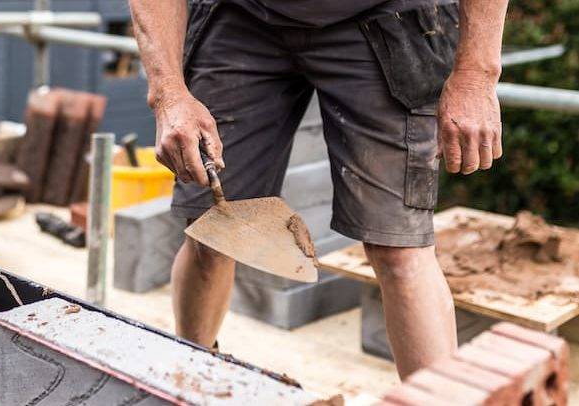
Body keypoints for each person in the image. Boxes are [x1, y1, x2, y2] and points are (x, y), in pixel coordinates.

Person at [129, 0, 508, 378]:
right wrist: (168, 93)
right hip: (241, 16)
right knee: (213, 231)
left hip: (385, 13)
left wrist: (476, 74)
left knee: (399, 248)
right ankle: (192, 379)